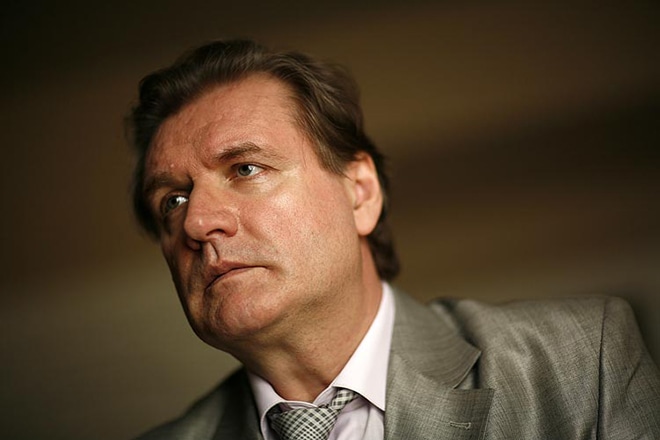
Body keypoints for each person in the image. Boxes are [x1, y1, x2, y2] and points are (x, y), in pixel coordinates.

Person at [128, 39, 660, 439]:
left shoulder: (578, 362)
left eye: (246, 169)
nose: (197, 223)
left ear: (360, 192)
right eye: (173, 201)